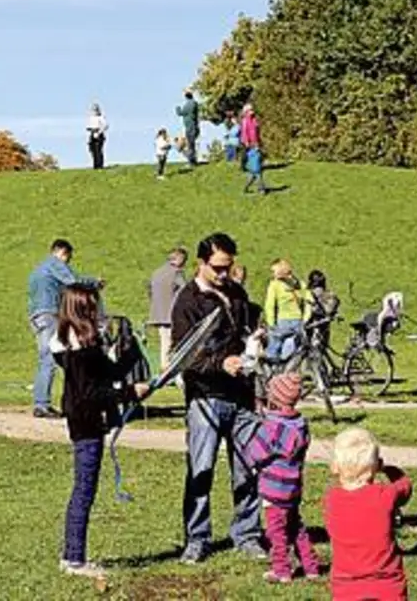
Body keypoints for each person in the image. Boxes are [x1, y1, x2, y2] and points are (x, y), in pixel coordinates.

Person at [170, 232, 266, 564]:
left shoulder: (236, 293)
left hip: (241, 396)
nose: (224, 274)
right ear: (202, 262)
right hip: (205, 398)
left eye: (228, 267)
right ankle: (197, 539)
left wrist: (257, 337)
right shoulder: (187, 301)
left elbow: (249, 326)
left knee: (248, 470)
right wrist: (220, 364)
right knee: (201, 469)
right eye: (218, 268)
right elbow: (183, 357)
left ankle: (248, 535)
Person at [51, 283, 151, 579]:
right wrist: (130, 393)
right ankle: (73, 559)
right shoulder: (78, 351)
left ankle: (73, 556)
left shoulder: (88, 347)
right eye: (94, 308)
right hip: (85, 421)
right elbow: (90, 394)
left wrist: (130, 352)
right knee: (84, 489)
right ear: (82, 310)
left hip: (89, 419)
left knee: (86, 487)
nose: (100, 313)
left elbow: (112, 374)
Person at [243, 373, 321, 584]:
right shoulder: (300, 425)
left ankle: (281, 570)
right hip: (293, 486)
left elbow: (254, 453)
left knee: (276, 532)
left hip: (273, 488)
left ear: (275, 398)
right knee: (297, 527)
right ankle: (311, 566)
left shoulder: (272, 428)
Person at [324, 427, 412, 600]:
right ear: (376, 466)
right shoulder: (385, 495)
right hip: (387, 582)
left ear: (334, 467)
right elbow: (405, 486)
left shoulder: (332, 499)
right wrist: (389, 470)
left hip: (346, 584)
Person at [27, 239, 104, 419]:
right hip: (49, 314)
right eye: (68, 257)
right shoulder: (54, 264)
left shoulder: (38, 269)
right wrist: (94, 283)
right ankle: (42, 404)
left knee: (45, 359)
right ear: (62, 252)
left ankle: (41, 402)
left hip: (37, 315)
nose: (68, 262)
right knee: (50, 359)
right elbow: (73, 281)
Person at [146, 247, 188, 374]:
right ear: (179, 259)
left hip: (158, 312)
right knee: (171, 342)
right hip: (172, 314)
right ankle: (169, 370)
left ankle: (164, 366)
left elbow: (149, 290)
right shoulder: (176, 273)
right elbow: (185, 291)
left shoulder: (156, 272)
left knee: (165, 341)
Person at [262, 259, 311, 361]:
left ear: (281, 270)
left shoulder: (275, 285)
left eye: (273, 271)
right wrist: (305, 319)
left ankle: (272, 368)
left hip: (283, 321)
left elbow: (269, 305)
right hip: (298, 321)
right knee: (290, 347)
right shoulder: (300, 284)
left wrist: (271, 323)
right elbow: (309, 302)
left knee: (273, 348)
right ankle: (285, 367)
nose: (272, 274)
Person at [176, 90, 201, 166]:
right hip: (194, 126)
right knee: (191, 145)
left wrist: (177, 108)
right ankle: (193, 161)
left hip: (190, 127)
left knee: (190, 145)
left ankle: (191, 162)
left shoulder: (188, 105)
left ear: (186, 97)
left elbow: (180, 113)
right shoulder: (195, 103)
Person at [86, 103, 108, 170]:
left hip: (99, 134)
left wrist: (99, 132)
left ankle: (100, 165)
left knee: (98, 150)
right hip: (92, 134)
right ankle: (95, 165)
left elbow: (105, 126)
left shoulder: (100, 118)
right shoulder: (91, 118)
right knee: (93, 150)